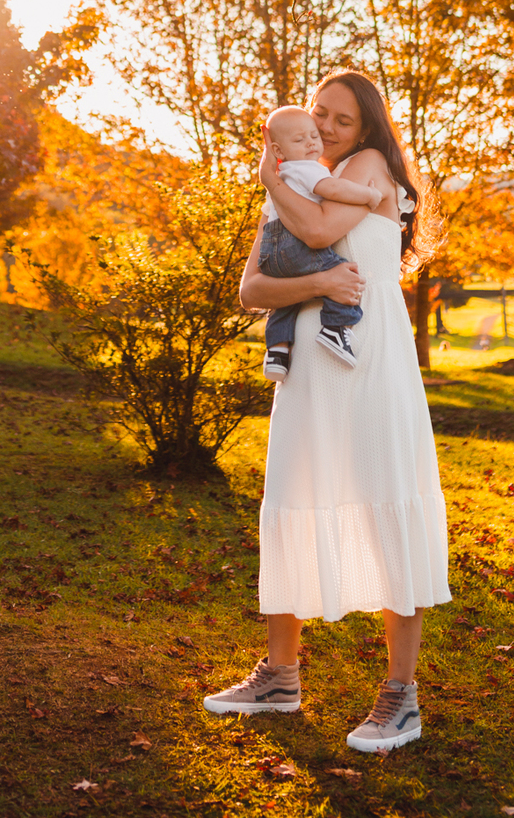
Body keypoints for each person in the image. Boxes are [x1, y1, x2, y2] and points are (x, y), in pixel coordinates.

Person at [204, 72, 450, 753]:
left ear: (366, 128)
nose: (329, 126)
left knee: (384, 503)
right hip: (308, 379)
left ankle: (401, 699)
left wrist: (270, 178)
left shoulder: (366, 171)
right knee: (290, 500)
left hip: (371, 371)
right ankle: (280, 677)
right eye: (319, 113)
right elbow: (252, 289)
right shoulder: (299, 179)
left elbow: (315, 227)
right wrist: (312, 276)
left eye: (342, 118)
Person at [258, 105, 382, 379]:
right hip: (294, 245)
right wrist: (369, 196)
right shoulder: (306, 169)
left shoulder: (283, 175)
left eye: (312, 136)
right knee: (342, 271)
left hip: (272, 252)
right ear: (277, 150)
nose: (315, 140)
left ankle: (277, 350)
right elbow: (332, 189)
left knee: (285, 301)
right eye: (300, 140)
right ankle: (336, 328)